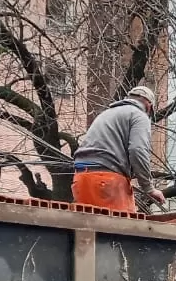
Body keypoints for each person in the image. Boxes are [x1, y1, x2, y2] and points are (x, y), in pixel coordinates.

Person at [71, 85, 165, 213]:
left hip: (81, 178)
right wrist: (149, 188)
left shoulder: (106, 114)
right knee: (122, 229)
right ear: (148, 106)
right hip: (107, 180)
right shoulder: (139, 115)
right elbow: (138, 150)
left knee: (89, 230)